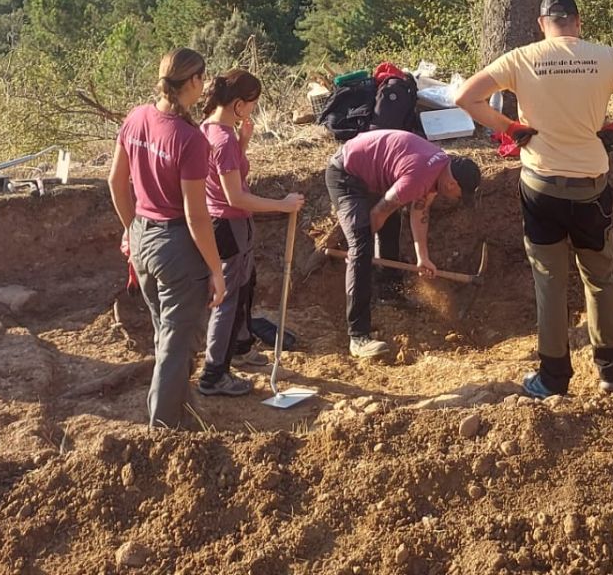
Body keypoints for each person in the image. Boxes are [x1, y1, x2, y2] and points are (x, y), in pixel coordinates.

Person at [456, 0, 613, 399]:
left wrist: (512, 129)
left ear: (542, 25)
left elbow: (464, 96)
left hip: (540, 188)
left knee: (549, 281)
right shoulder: (605, 57)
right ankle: (612, 371)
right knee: (600, 279)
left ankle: (553, 378)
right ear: (577, 23)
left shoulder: (522, 58)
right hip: (591, 187)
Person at [108, 47, 227, 429]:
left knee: (166, 333)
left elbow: (116, 181)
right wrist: (216, 270)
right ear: (192, 81)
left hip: (142, 237)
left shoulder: (137, 117)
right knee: (177, 347)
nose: (205, 85)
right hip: (176, 247)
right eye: (202, 78)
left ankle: (182, 410)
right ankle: (163, 432)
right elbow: (195, 215)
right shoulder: (191, 140)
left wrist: (131, 229)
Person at [325, 128, 479, 361]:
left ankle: (387, 292)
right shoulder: (418, 177)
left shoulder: (438, 169)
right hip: (346, 175)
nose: (458, 199)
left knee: (392, 224)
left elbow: (420, 211)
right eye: (460, 194)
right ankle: (358, 336)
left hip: (372, 173)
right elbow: (378, 212)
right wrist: (358, 245)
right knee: (362, 248)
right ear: (452, 184)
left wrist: (422, 256)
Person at [196, 68, 305, 398]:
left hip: (224, 224)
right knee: (228, 300)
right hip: (228, 225)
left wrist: (244, 143)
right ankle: (214, 373)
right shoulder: (222, 138)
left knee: (244, 288)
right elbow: (235, 196)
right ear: (239, 104)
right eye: (253, 104)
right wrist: (282, 205)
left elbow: (226, 174)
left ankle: (240, 348)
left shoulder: (209, 129)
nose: (254, 110)